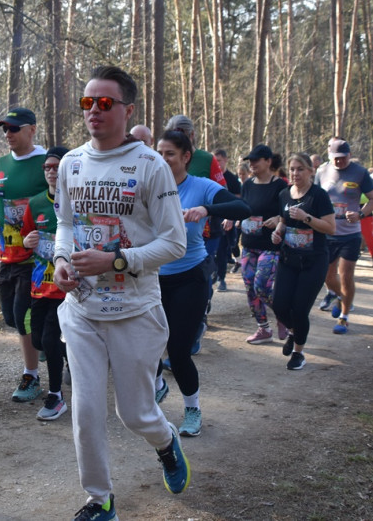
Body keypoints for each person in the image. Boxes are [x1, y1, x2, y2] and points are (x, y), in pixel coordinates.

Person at [52, 66, 190, 521]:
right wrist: (61, 261)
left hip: (135, 308)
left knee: (135, 415)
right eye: (87, 102)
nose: (94, 110)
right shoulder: (71, 162)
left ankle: (166, 443)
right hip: (82, 307)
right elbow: (66, 224)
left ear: (128, 110)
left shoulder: (151, 165)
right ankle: (100, 500)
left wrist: (116, 261)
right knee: (85, 411)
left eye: (105, 103)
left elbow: (175, 242)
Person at [154, 131, 248, 436]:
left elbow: (241, 209)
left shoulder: (201, 186)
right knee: (145, 344)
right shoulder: (147, 187)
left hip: (189, 277)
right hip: (151, 278)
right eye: (160, 153)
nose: (164, 159)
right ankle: (157, 384)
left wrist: (206, 209)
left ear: (185, 157)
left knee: (178, 351)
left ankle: (192, 409)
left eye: (170, 154)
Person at [0, 107, 49, 402]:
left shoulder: (46, 162)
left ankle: (31, 376)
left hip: (37, 257)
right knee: (11, 317)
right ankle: (46, 341)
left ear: (32, 129)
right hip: (7, 254)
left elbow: (59, 200)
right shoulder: (0, 164)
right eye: (4, 129)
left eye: (14, 128)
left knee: (22, 317)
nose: (8, 134)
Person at [164, 114, 225, 353]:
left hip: (204, 232)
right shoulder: (162, 158)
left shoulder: (207, 159)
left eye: (182, 133)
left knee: (199, 278)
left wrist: (205, 210)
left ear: (191, 135)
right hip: (168, 234)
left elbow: (223, 193)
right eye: (173, 132)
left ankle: (198, 320)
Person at [270, 153, 336, 370]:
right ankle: (293, 331)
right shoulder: (283, 195)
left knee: (299, 309)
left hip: (313, 261)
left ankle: (298, 352)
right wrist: (278, 233)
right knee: (279, 304)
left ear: (310, 171)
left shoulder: (319, 196)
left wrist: (307, 218)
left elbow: (330, 227)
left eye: (300, 169)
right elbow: (283, 221)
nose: (295, 173)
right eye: (292, 169)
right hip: (289, 258)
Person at [20, 145, 71, 420]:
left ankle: (56, 396)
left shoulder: (77, 200)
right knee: (39, 338)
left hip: (66, 287)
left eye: (57, 167)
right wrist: (28, 241)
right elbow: (27, 236)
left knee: (50, 337)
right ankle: (72, 359)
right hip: (40, 284)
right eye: (47, 168)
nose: (51, 172)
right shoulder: (37, 202)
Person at [315, 138, 373, 334]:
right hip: (328, 232)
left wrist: (360, 213)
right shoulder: (322, 171)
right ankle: (343, 298)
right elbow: (315, 197)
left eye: (342, 158)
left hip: (350, 234)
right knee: (326, 276)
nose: (339, 162)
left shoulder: (360, 173)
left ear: (349, 155)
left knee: (346, 275)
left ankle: (344, 318)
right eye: (335, 158)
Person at [238, 144, 288, 345]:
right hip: (249, 243)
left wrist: (278, 219)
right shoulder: (248, 184)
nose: (252, 164)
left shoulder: (281, 186)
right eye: (250, 160)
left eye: (256, 160)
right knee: (250, 285)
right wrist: (232, 218)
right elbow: (243, 208)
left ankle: (284, 314)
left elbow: (289, 211)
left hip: (270, 245)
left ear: (268, 161)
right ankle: (263, 328)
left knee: (261, 285)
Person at [213, 148, 243, 290]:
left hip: (227, 221)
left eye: (219, 160)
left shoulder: (232, 179)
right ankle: (213, 274)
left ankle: (221, 278)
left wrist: (231, 217)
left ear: (225, 160)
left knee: (223, 250)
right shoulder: (209, 177)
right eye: (214, 160)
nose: (217, 163)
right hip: (212, 220)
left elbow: (237, 202)